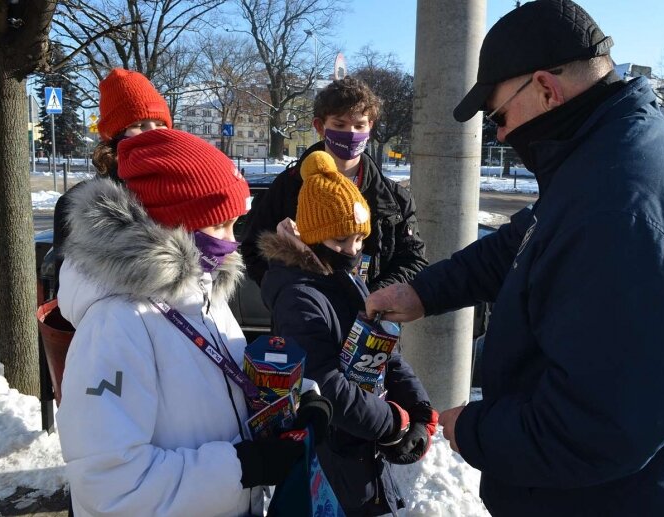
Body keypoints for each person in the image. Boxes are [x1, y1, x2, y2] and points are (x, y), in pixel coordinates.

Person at [365, 1, 664, 515]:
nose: (500, 135)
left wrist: (473, 430)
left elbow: (601, 426)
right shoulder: (600, 157)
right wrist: (423, 291)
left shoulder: (621, 209)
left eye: (499, 116)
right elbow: (521, 243)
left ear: (545, 88)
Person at [56, 129, 330, 517]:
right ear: (170, 226)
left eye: (236, 225)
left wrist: (299, 396)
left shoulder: (203, 293)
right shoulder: (116, 325)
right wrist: (242, 467)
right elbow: (109, 486)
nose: (231, 242)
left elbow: (227, 381)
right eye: (219, 226)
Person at [258, 150, 438, 516]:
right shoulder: (299, 296)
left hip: (358, 444)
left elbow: (382, 348)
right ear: (312, 237)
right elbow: (325, 383)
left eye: (359, 240)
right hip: (329, 454)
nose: (352, 251)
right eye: (341, 241)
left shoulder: (344, 280)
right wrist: (392, 425)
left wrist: (418, 406)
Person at [240, 77, 428, 292]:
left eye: (359, 125)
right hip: (303, 318)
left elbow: (414, 261)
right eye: (340, 124)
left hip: (368, 319)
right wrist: (291, 294)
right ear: (320, 126)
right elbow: (253, 249)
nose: (351, 134)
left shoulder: (394, 198)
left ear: (370, 127)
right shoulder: (287, 187)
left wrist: (372, 300)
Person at [52, 68, 172, 290]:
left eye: (160, 123)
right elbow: (69, 288)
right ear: (115, 137)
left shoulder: (182, 188)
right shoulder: (78, 203)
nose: (152, 132)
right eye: (138, 125)